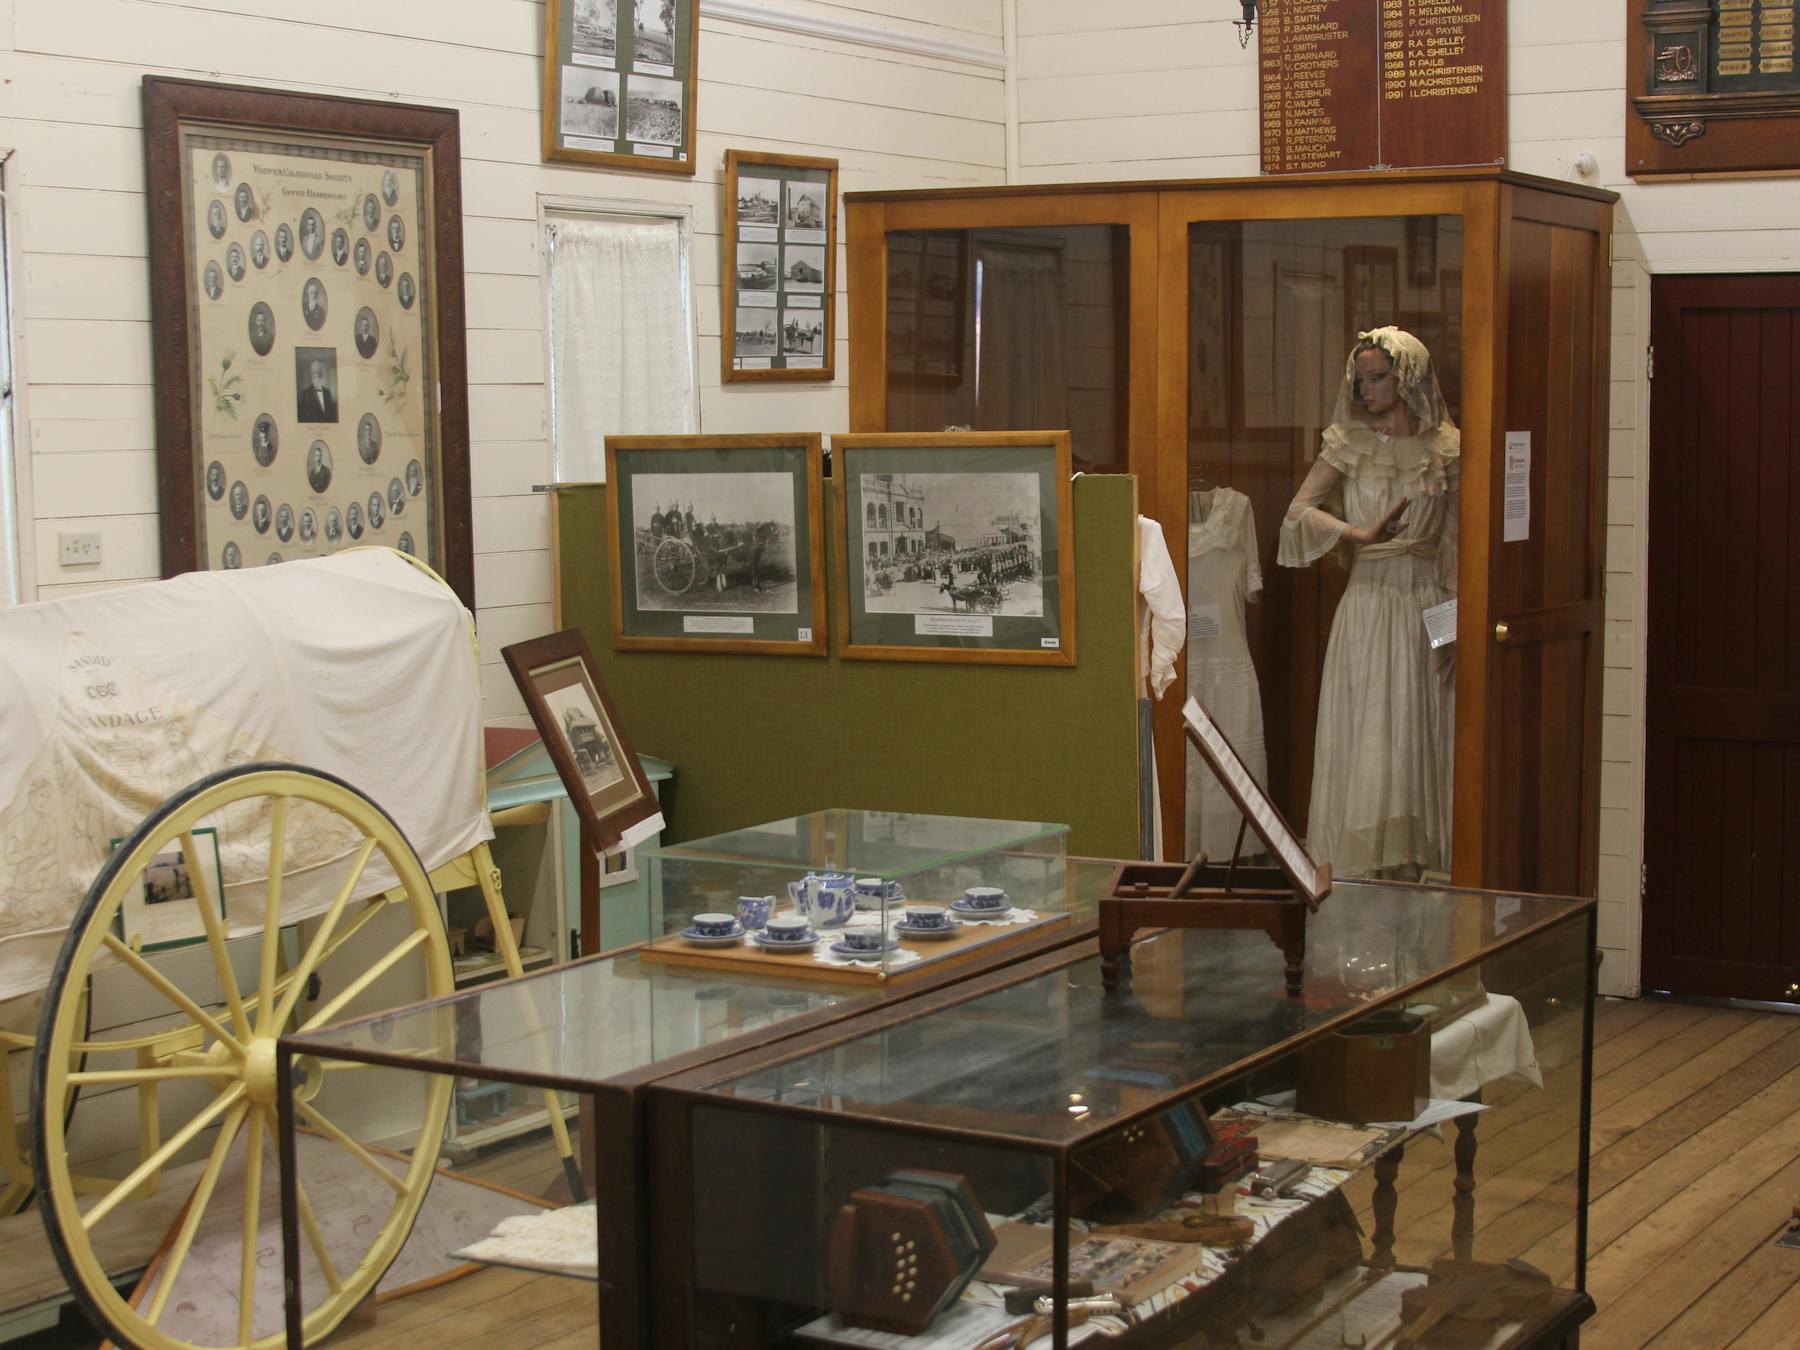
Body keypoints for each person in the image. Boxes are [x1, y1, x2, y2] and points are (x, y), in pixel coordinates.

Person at [1277, 326, 1460, 880]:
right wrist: (1356, 535)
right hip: (1370, 598)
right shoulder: (1349, 443)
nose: (1368, 390)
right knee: (1372, 726)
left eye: (1379, 377)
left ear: (1407, 379)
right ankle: (1359, 871)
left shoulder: (1443, 447)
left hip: (1424, 598)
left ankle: (1416, 865)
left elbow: (1456, 542)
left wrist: (1453, 625)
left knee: (1417, 724)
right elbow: (1297, 514)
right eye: (1361, 379)